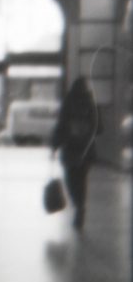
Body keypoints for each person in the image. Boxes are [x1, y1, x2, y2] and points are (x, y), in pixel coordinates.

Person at [51, 76, 101, 230]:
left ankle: (78, 205)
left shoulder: (68, 102)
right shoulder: (91, 103)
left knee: (71, 179)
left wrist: (55, 146)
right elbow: (99, 127)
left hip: (70, 149)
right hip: (85, 149)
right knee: (81, 179)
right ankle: (80, 206)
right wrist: (86, 129)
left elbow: (61, 125)